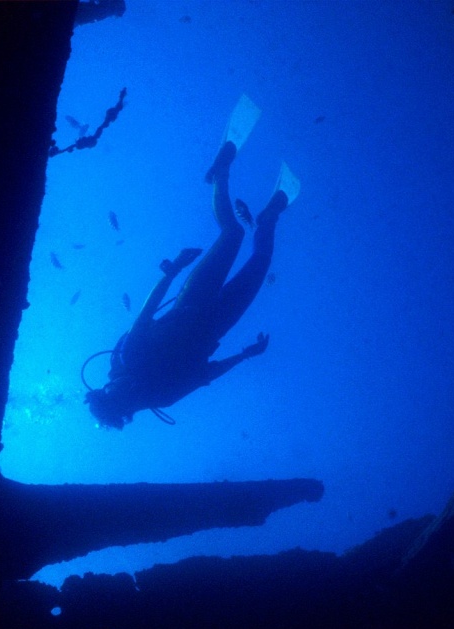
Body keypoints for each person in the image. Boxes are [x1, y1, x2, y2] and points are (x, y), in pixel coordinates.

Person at [84, 97, 298, 429]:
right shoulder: (162, 396)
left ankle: (220, 173)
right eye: (123, 402)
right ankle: (269, 218)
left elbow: (146, 312)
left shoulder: (130, 356)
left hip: (193, 298)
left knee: (233, 234)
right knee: (261, 261)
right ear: (128, 411)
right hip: (219, 323)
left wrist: (173, 271)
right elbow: (206, 374)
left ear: (107, 388)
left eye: (113, 392)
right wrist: (243, 355)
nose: (123, 392)